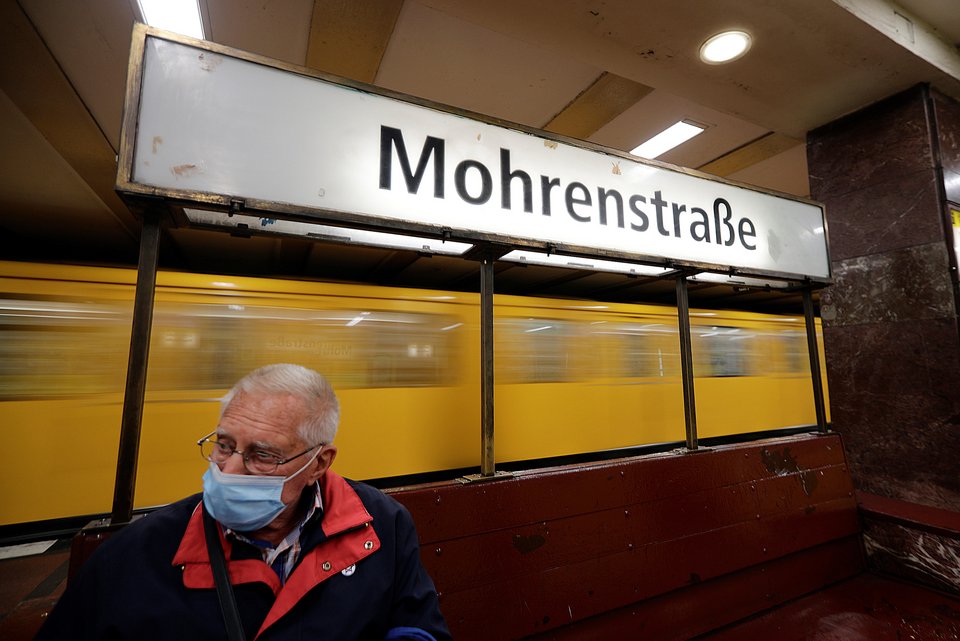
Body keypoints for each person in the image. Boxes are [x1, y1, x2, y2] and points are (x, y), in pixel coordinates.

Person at [37, 363, 452, 641]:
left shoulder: (382, 524)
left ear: (318, 463)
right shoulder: (140, 551)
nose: (229, 471)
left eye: (262, 455)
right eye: (223, 445)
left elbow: (417, 626)